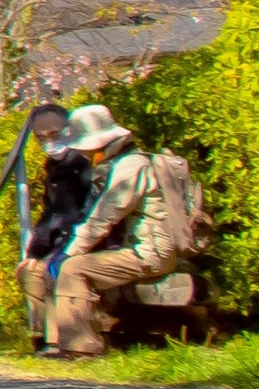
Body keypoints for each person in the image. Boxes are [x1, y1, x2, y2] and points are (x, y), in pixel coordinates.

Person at [44, 105, 174, 359]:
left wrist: (68, 253)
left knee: (72, 268)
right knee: (52, 267)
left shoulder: (131, 167)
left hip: (151, 253)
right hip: (141, 249)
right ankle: (55, 343)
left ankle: (82, 348)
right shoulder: (124, 163)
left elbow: (102, 218)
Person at [19, 99, 89, 354]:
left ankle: (59, 341)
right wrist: (34, 253)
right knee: (30, 271)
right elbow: (51, 212)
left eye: (55, 134)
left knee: (47, 270)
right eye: (41, 137)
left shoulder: (80, 162)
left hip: (85, 238)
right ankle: (44, 338)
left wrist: (43, 251)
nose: (49, 141)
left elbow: (68, 214)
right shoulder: (56, 166)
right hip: (68, 238)